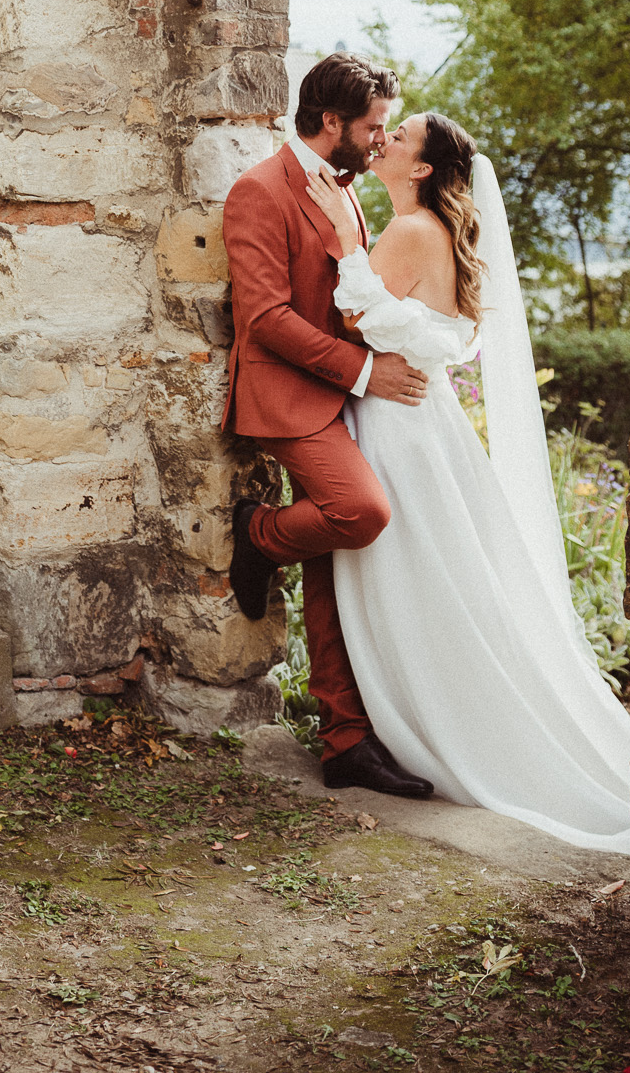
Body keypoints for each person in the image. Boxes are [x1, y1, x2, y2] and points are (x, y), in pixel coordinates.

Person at [302, 111, 630, 855]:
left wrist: (340, 242)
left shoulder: (413, 230)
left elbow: (354, 314)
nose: (382, 140)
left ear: (421, 169)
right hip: (420, 416)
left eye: (400, 137)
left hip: (395, 417)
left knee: (413, 571)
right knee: (439, 568)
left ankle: (428, 719)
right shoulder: (430, 230)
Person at [220, 53, 436, 800]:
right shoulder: (256, 192)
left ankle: (345, 739)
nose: (379, 141)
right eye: (372, 127)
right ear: (330, 121)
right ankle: (257, 535)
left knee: (334, 563)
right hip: (288, 396)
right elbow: (266, 319)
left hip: (342, 394)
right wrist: (368, 374)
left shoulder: (345, 190)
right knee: (359, 513)